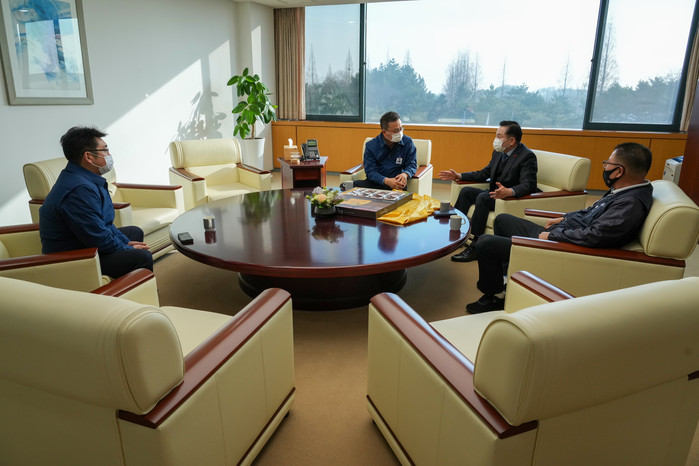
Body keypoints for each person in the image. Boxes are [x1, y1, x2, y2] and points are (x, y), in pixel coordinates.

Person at [467, 142, 654, 314]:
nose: (605, 167)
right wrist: (565, 217)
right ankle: (509, 280)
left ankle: (494, 296)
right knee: (502, 220)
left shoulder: (630, 203)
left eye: (608, 163)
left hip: (563, 247)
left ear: (619, 171)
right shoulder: (624, 191)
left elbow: (596, 236)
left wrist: (553, 236)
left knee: (486, 243)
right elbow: (591, 212)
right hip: (562, 234)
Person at [39, 126, 153, 278]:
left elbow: (104, 224)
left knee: (134, 232)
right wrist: (127, 249)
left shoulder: (82, 178)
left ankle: (126, 282)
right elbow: (97, 237)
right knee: (142, 256)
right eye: (105, 150)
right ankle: (134, 289)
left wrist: (126, 243)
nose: (109, 155)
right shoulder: (79, 190)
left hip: (84, 243)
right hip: (73, 260)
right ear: (89, 157)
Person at [439, 121, 538, 263]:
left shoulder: (527, 156)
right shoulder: (498, 152)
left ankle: (475, 247)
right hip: (494, 194)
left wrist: (510, 191)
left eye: (499, 136)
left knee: (483, 197)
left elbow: (529, 184)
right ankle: (454, 233)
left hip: (508, 199)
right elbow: (484, 173)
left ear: (511, 141)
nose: (495, 139)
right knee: (467, 191)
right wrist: (459, 176)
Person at [354, 111, 417, 191]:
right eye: (396, 130)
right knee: (347, 186)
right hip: (376, 183)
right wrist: (386, 181)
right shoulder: (371, 146)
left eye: (401, 129)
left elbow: (412, 164)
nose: (399, 133)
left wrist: (405, 174)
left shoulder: (408, 142)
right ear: (384, 132)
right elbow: (371, 172)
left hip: (397, 184)